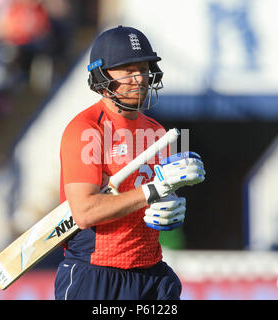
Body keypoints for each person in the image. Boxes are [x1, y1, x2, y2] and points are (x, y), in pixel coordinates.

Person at [54, 25, 206, 300]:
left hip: (151, 273)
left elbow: (154, 196)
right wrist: (153, 191)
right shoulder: (87, 129)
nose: (140, 78)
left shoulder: (158, 132)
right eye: (128, 70)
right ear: (101, 76)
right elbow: (85, 211)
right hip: (96, 275)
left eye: (144, 68)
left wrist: (170, 208)